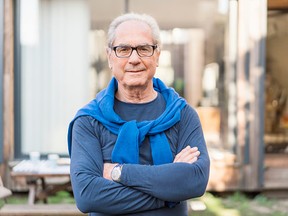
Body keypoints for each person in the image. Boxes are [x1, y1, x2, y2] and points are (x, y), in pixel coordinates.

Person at [67, 12, 210, 216]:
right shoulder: (89, 120)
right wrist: (170, 192)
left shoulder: (182, 114)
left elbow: (195, 181)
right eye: (123, 49)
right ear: (110, 57)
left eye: (144, 49)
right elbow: (87, 195)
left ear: (157, 55)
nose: (134, 59)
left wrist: (119, 172)